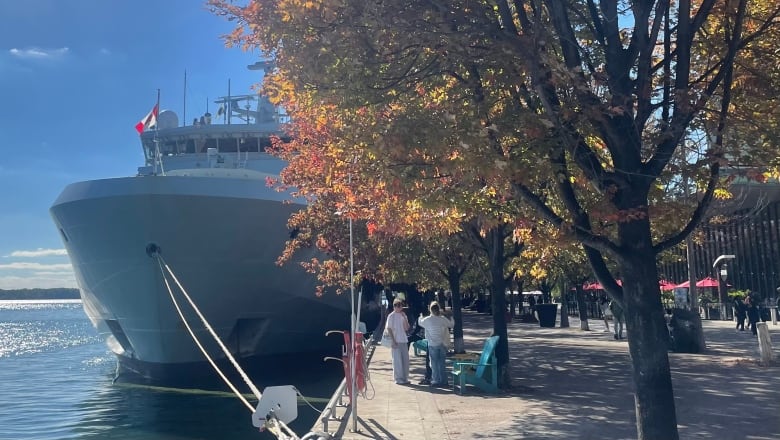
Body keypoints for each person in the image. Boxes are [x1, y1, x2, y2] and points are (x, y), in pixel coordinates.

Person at [417, 301, 454, 387]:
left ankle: (436, 380)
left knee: (434, 363)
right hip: (442, 344)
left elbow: (420, 322)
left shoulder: (427, 320)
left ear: (430, 309)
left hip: (432, 344)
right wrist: (451, 316)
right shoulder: (442, 319)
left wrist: (420, 316)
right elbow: (451, 325)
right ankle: (444, 381)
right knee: (442, 363)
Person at [385, 299, 410, 384]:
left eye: (401, 306)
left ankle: (405, 377)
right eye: (398, 306)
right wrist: (393, 340)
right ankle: (398, 378)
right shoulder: (391, 316)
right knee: (397, 360)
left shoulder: (403, 315)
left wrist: (404, 318)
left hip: (403, 339)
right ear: (394, 306)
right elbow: (389, 328)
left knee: (405, 360)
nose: (400, 308)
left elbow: (406, 328)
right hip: (396, 340)